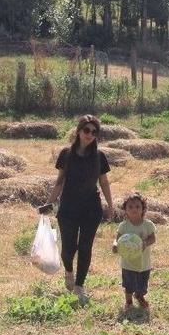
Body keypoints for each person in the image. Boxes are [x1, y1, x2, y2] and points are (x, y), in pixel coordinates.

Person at [46, 115, 113, 304]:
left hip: (91, 208)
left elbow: (104, 181)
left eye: (94, 132)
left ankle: (79, 285)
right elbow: (60, 182)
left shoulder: (99, 156)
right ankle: (69, 271)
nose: (90, 135)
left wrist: (110, 204)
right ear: (78, 131)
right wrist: (49, 203)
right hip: (68, 207)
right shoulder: (66, 154)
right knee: (69, 248)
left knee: (85, 247)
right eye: (86, 130)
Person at [112, 192, 157, 312]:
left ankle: (139, 296)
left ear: (143, 209)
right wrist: (115, 245)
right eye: (130, 207)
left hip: (143, 263)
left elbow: (153, 238)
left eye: (138, 206)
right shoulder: (123, 226)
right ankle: (128, 302)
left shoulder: (147, 225)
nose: (134, 209)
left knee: (142, 284)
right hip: (128, 262)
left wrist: (145, 243)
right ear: (125, 209)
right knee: (129, 284)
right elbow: (117, 239)